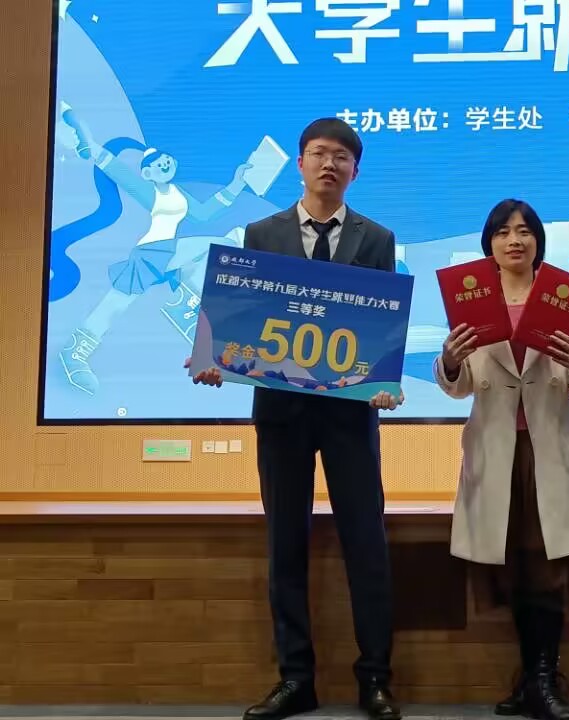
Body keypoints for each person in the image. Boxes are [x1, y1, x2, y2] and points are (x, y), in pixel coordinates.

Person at [191, 118, 403, 720]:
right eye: (318, 154)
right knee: (285, 543)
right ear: (300, 163)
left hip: (349, 414)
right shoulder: (262, 233)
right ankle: (295, 678)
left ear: (355, 170)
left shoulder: (376, 238)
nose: (328, 164)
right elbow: (240, 312)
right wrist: (214, 355)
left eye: (341, 157)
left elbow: (381, 325)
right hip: (281, 413)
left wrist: (383, 380)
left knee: (367, 543)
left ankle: (375, 678)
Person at [435, 199, 569, 720]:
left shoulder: (560, 295)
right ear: (488, 244)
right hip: (496, 451)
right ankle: (531, 681)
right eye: (502, 232)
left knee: (546, 568)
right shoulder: (472, 296)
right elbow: (459, 385)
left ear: (538, 240)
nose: (514, 240)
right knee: (513, 568)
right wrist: (449, 360)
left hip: (549, 449)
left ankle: (543, 679)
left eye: (524, 231)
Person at [56, 109, 252, 395]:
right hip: (151, 253)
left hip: (171, 251)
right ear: (147, 173)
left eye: (166, 161)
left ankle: (187, 302)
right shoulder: (149, 191)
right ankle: (75, 353)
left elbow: (204, 213)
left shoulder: (178, 194)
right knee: (115, 305)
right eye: (158, 165)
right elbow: (116, 169)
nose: (164, 165)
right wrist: (89, 143)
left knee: (226, 244)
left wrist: (236, 184)